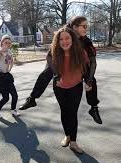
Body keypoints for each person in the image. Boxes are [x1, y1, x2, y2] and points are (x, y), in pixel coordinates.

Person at [19, 16, 102, 124]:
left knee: (91, 78)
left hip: (77, 64)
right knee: (46, 72)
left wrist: (89, 79)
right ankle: (32, 99)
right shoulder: (62, 34)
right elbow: (49, 56)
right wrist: (56, 74)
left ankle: (93, 108)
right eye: (84, 26)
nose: (86, 29)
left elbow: (93, 62)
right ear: (75, 27)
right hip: (61, 63)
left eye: (87, 26)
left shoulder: (86, 41)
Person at [50, 26, 89, 154]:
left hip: (75, 87)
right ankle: (67, 136)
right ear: (58, 41)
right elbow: (48, 63)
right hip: (59, 88)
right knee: (64, 111)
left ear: (72, 39)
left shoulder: (80, 52)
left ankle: (73, 142)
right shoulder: (55, 52)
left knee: (72, 113)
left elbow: (88, 69)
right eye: (61, 39)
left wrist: (89, 82)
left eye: (67, 38)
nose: (64, 41)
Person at [0, 35, 19, 119]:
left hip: (7, 76)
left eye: (9, 43)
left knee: (15, 95)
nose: (7, 44)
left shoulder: (9, 52)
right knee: (6, 98)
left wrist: (10, 67)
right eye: (6, 42)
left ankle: (13, 110)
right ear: (2, 43)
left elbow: (11, 61)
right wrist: (4, 49)